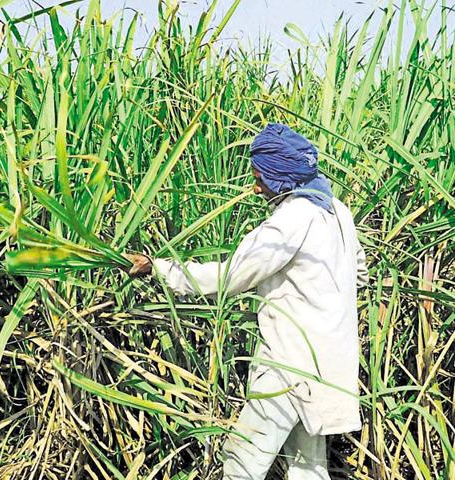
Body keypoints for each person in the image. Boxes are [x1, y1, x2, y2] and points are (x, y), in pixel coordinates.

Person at [123, 123, 368, 480]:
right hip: (329, 364)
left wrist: (158, 269)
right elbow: (358, 274)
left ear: (282, 176)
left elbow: (227, 278)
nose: (255, 187)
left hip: (289, 365)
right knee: (308, 467)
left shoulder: (290, 221)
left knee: (243, 462)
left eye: (260, 177)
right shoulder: (337, 211)